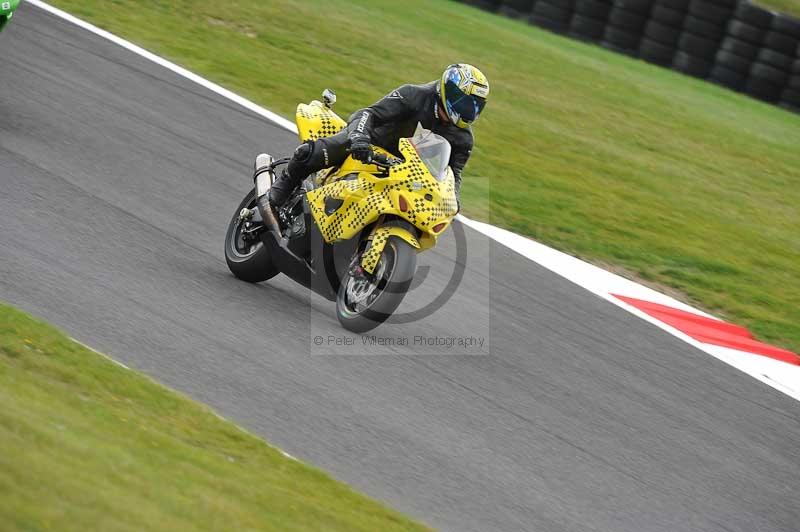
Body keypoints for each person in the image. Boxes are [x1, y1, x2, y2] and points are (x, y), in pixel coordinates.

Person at [268, 63, 490, 212]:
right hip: (369, 145)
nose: (469, 110)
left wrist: (453, 201)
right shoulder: (414, 96)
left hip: (403, 171)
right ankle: (278, 192)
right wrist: (360, 139)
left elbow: (453, 174)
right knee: (312, 152)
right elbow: (368, 113)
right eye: (464, 102)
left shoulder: (462, 139)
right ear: (448, 91)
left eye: (475, 106)